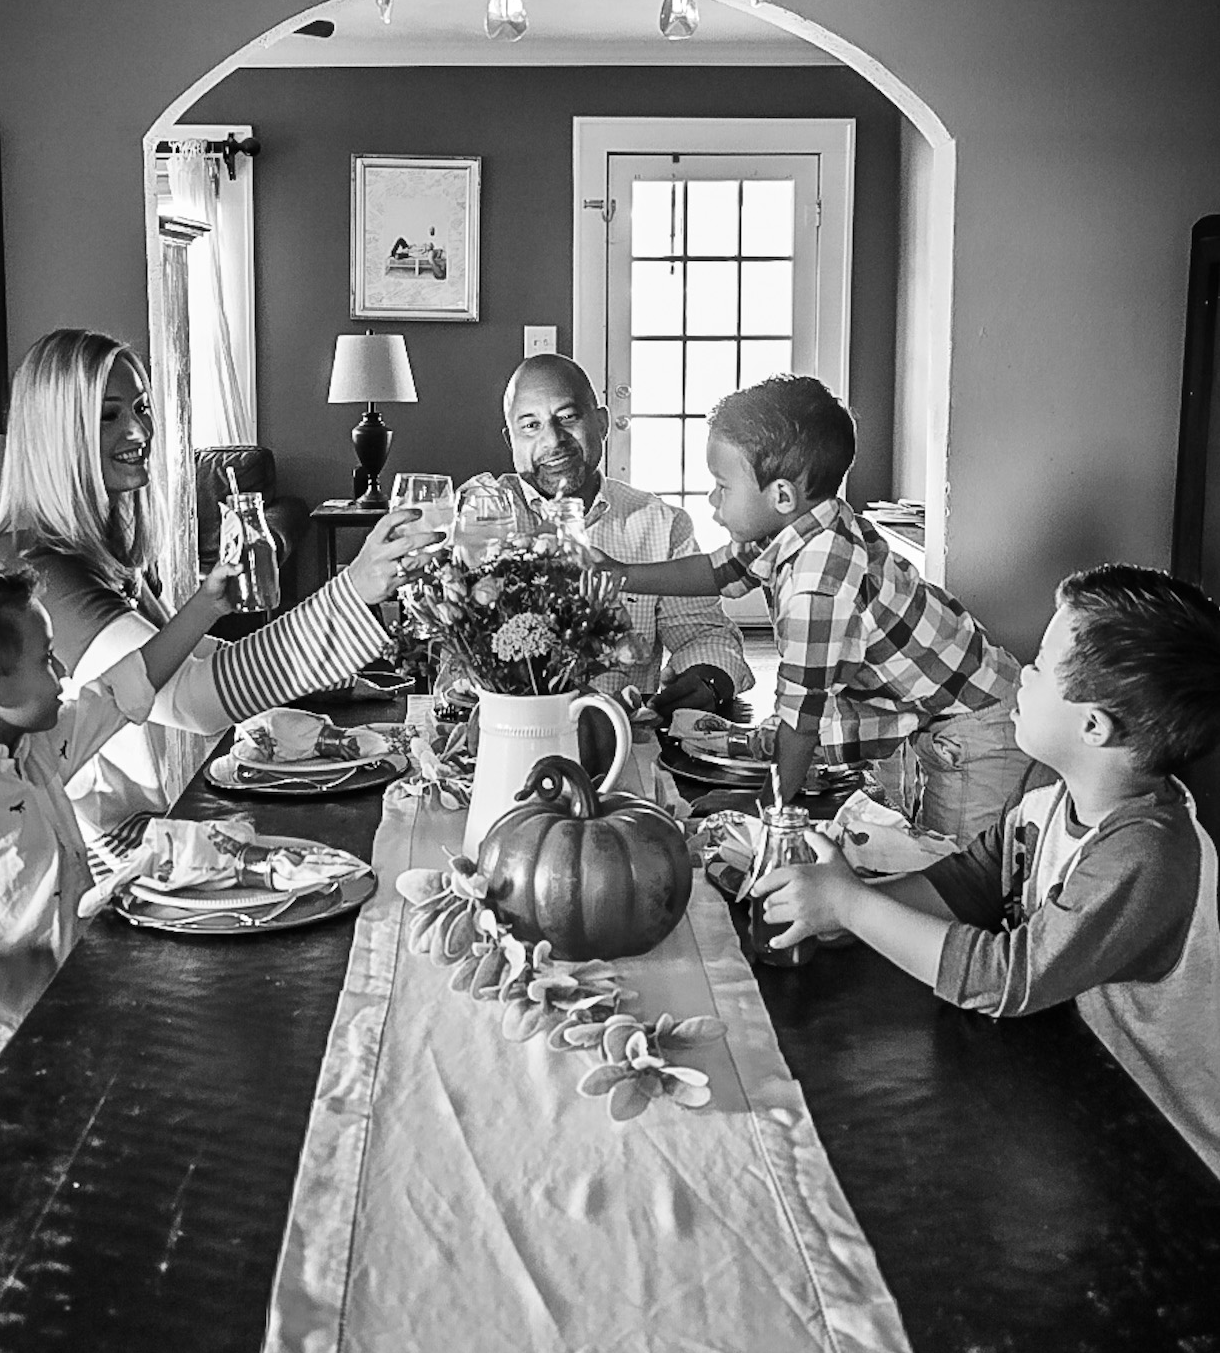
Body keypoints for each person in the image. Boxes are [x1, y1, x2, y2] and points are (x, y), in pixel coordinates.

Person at [753, 564, 1220, 1178]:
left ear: (1093, 726)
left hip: (1166, 1151)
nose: (1021, 673)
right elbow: (966, 885)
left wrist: (851, 906)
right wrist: (846, 910)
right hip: (1081, 1091)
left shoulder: (1146, 854)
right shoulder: (1048, 804)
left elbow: (1009, 980)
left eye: (1041, 665)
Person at [0, 329, 432, 869]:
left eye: (142, 407)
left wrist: (336, 679)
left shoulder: (93, 553)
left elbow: (194, 654)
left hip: (158, 827)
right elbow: (190, 701)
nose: (137, 429)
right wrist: (352, 592)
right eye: (108, 415)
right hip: (104, 864)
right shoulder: (39, 574)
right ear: (56, 435)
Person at [0, 559, 236, 1094]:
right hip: (1, 1072)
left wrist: (206, 607)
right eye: (46, 660)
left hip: (77, 1025)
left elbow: (123, 687)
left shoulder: (31, 749)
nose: (63, 675)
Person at [603, 373, 1028, 838]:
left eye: (722, 486)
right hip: (942, 717)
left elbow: (801, 717)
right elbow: (716, 571)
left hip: (975, 731)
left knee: (959, 872)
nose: (711, 499)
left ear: (781, 495)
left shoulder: (818, 581)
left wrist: (769, 815)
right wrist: (620, 573)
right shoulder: (799, 524)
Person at [478, 353, 750, 719]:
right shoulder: (481, 518)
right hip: (502, 738)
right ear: (509, 438)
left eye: (568, 417)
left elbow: (704, 634)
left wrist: (708, 679)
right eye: (530, 426)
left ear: (602, 423)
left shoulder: (661, 524)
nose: (553, 439)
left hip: (620, 739)